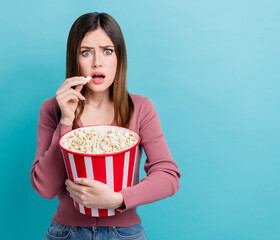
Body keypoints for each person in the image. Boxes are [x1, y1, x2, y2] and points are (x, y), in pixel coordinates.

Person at [30, 12, 181, 240]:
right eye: (86, 52)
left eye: (107, 51)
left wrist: (118, 199)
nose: (97, 62)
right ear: (75, 58)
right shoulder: (52, 109)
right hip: (66, 233)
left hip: (125, 233)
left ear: (119, 57)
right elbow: (45, 188)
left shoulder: (140, 108)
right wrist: (65, 121)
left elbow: (168, 175)